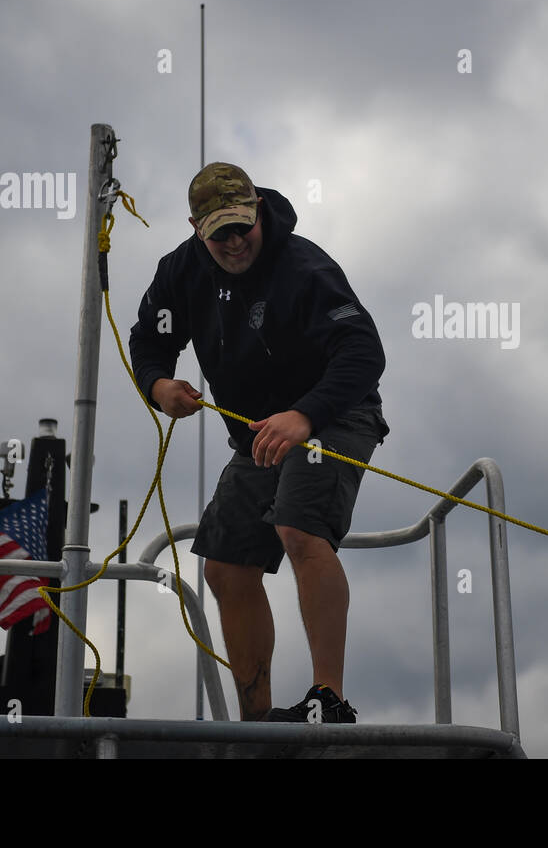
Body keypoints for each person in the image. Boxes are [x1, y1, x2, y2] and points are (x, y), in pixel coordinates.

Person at [129, 162, 389, 723]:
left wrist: (303, 416)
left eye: (242, 227)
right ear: (196, 227)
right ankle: (257, 724)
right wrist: (158, 385)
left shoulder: (303, 266)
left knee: (297, 526)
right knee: (223, 565)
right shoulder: (180, 271)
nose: (234, 241)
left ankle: (329, 700)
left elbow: (365, 353)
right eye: (219, 232)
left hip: (335, 415)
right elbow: (149, 338)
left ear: (258, 213)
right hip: (255, 435)